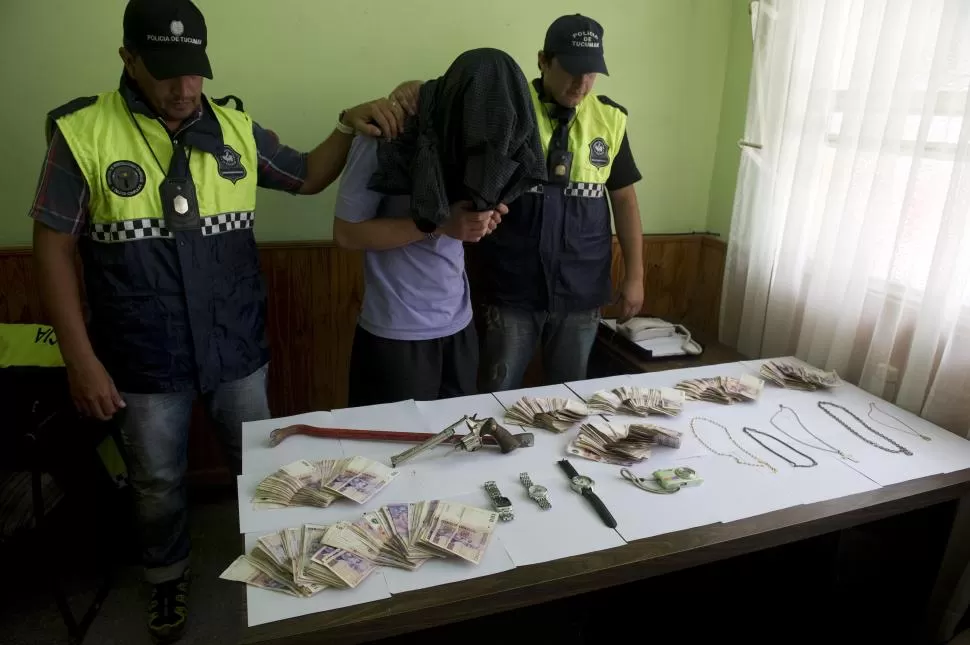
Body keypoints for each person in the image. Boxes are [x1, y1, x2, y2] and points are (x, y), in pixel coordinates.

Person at [28, 0, 406, 641]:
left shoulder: (234, 127)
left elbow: (309, 175)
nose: (185, 88)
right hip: (142, 355)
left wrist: (347, 122)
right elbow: (52, 247)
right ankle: (166, 579)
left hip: (236, 348)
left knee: (258, 466)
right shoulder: (83, 133)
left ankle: (281, 565)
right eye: (167, 71)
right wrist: (81, 358)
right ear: (129, 59)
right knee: (156, 480)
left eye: (196, 70)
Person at [393, 14, 644, 391]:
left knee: (571, 398)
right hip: (512, 288)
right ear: (543, 60)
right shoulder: (502, 106)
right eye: (571, 69)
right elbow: (441, 101)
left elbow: (625, 202)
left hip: (581, 288)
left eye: (592, 73)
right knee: (496, 394)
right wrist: (407, 90)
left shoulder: (610, 120)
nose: (581, 83)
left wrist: (635, 278)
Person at [334, 48, 546, 406]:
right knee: (392, 454)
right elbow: (347, 234)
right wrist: (441, 225)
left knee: (454, 446)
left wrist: (481, 221)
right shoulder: (384, 135)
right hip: (397, 331)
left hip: (459, 323)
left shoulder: (478, 145)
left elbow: (462, 219)